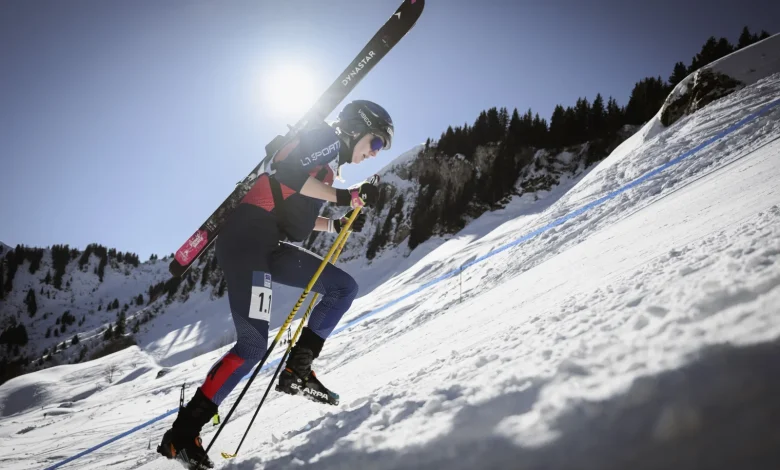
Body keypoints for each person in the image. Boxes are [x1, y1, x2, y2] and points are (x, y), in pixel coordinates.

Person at [157, 100, 394, 468]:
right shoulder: (326, 139)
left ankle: (297, 370)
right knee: (252, 346)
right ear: (356, 128)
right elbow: (286, 175)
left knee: (342, 288)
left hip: (270, 245)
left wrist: (335, 221)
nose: (374, 154)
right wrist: (346, 197)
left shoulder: (327, 166)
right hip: (247, 241)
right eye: (376, 143)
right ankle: (182, 435)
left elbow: (291, 206)